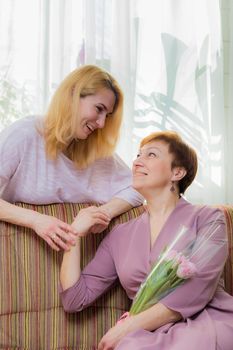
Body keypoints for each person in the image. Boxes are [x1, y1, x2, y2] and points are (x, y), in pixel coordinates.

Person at [60, 130, 233, 350]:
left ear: (177, 172)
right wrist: (74, 234)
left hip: (207, 322)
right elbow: (74, 300)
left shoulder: (209, 218)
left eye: (151, 155)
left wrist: (127, 327)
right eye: (138, 155)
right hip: (146, 336)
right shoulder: (120, 235)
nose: (137, 162)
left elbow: (197, 289)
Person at [0, 65, 143, 251]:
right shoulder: (24, 135)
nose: (101, 123)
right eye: (99, 109)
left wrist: (104, 213)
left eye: (107, 115)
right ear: (73, 94)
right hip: (15, 246)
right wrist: (37, 220)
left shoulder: (96, 151)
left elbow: (138, 188)